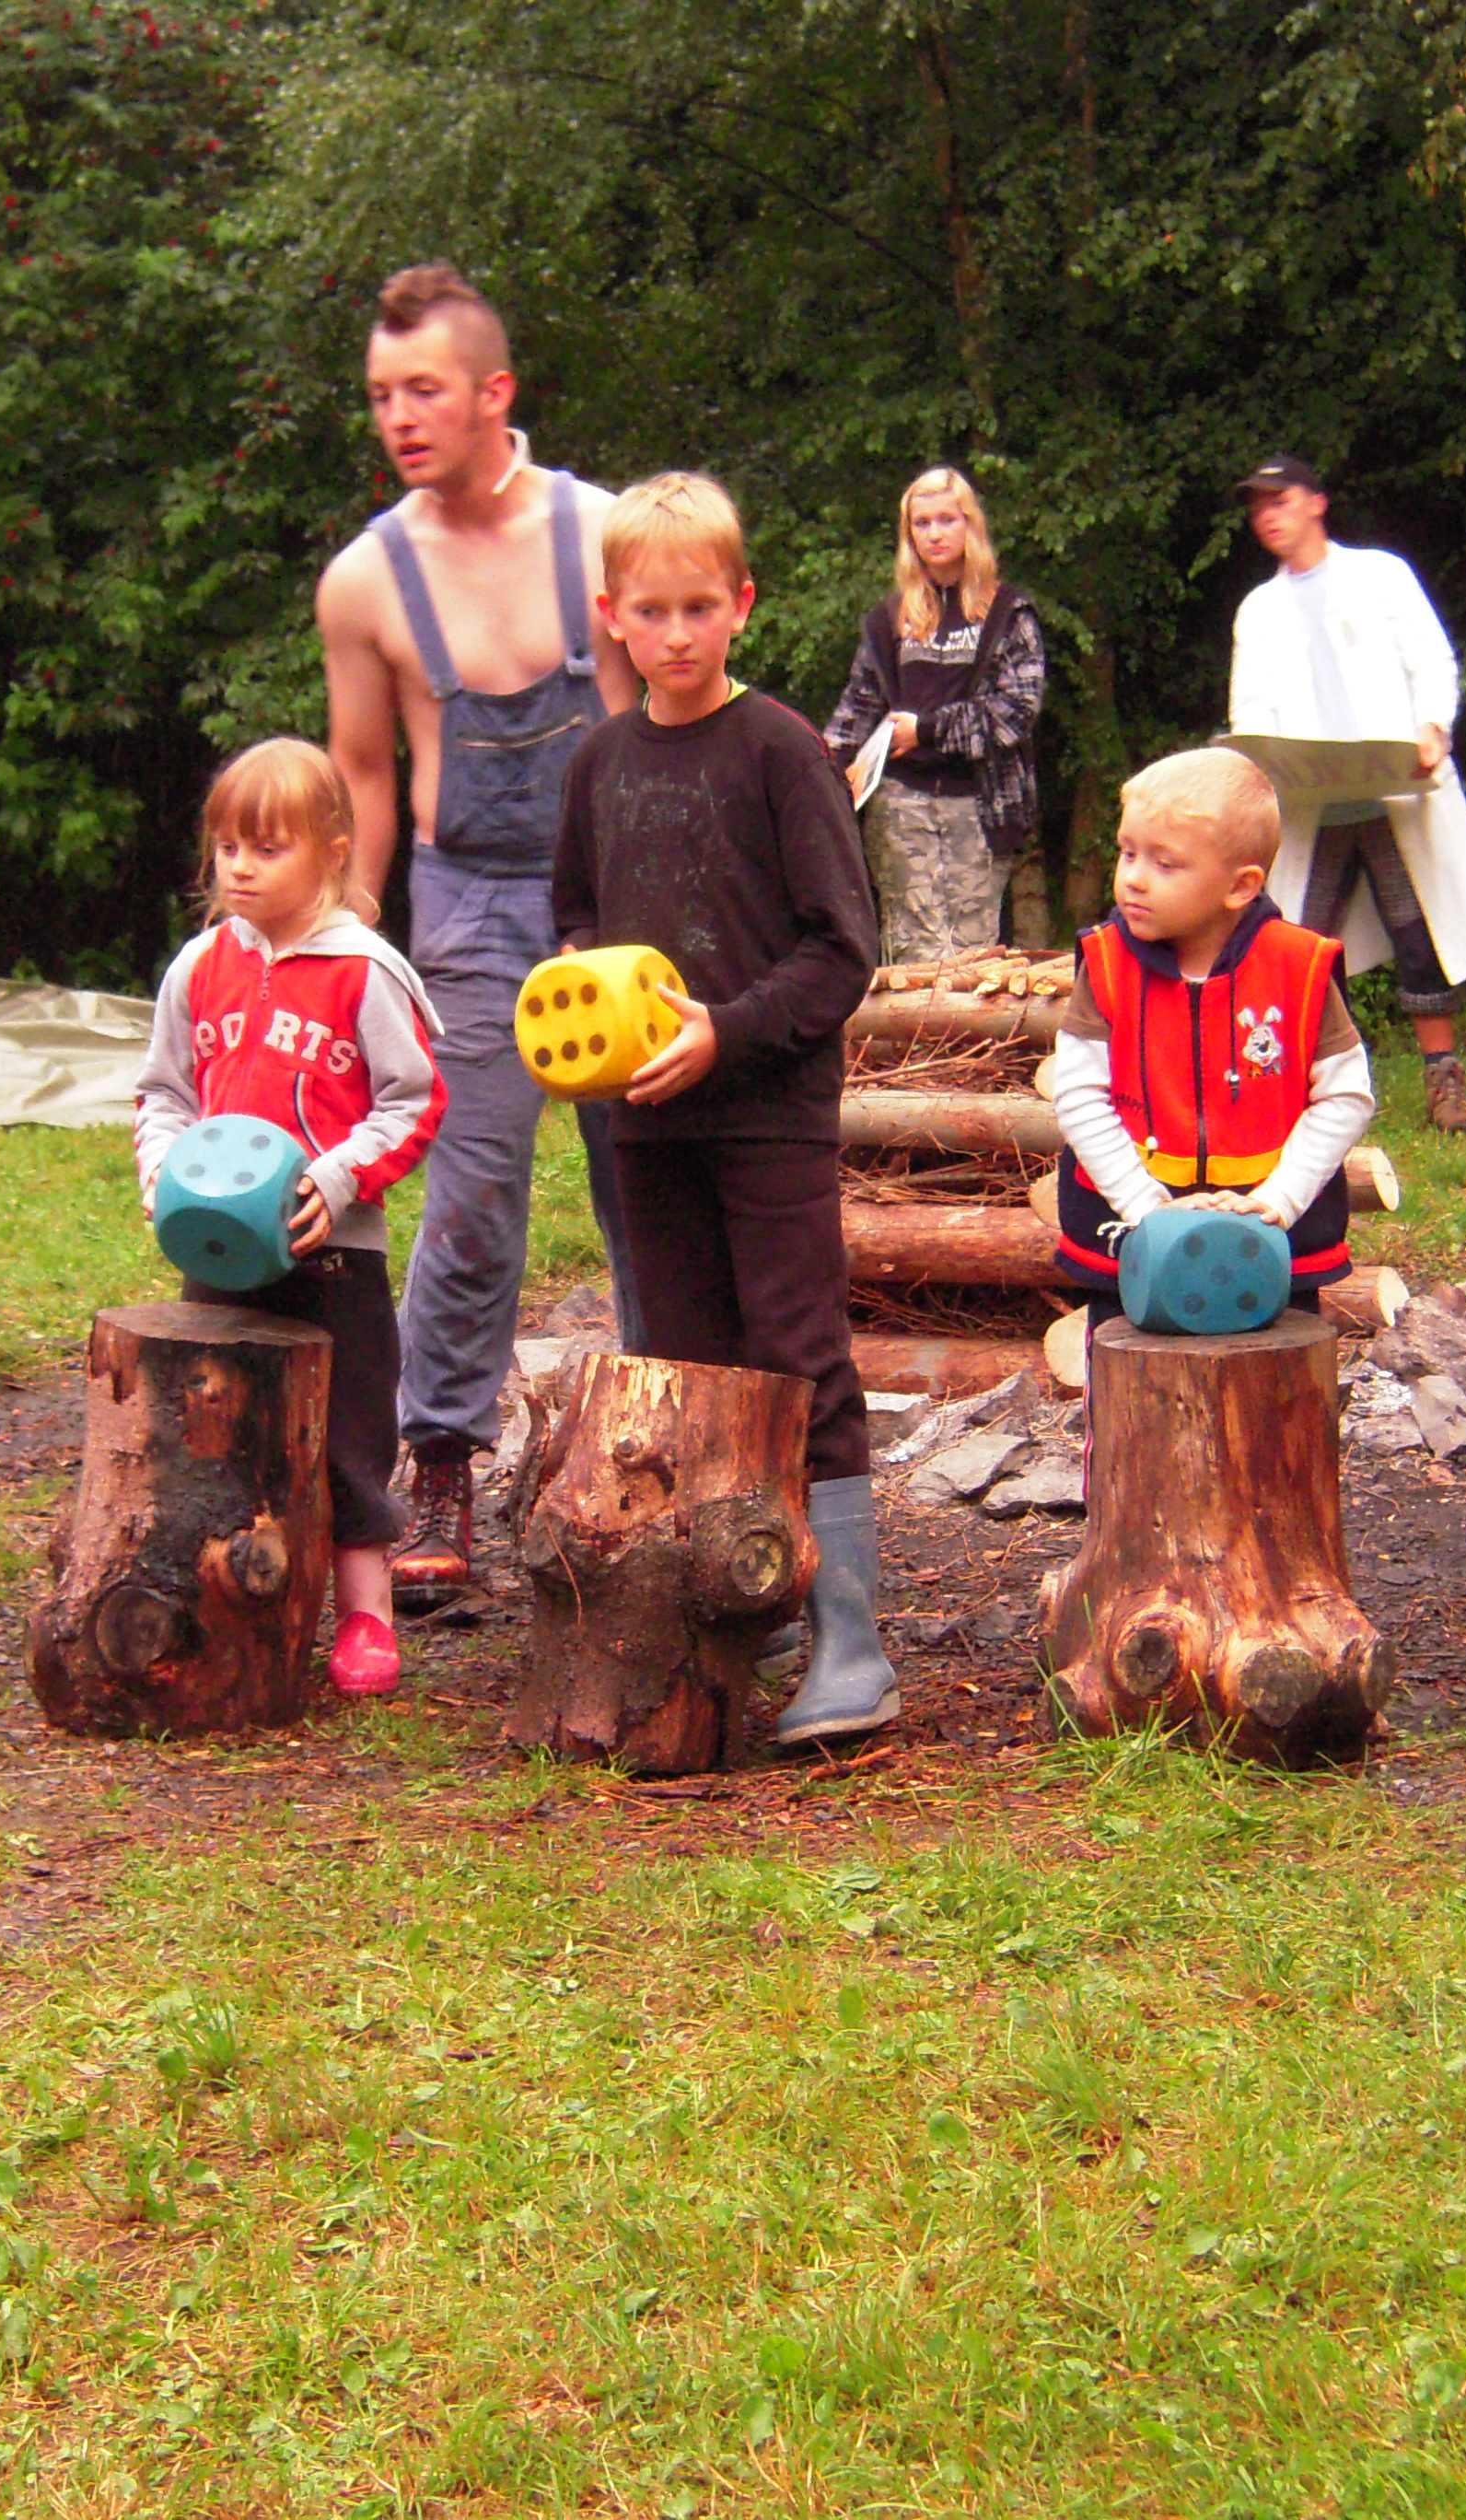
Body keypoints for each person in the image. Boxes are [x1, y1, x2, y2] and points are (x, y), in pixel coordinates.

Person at [316, 262, 644, 1605]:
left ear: (493, 392)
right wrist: (349, 942)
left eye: (425, 390)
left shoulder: (604, 533)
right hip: (470, 902)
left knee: (648, 1167)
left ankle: (674, 1436)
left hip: (616, 897)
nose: (400, 417)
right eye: (381, 395)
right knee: (470, 1190)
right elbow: (364, 772)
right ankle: (441, 1456)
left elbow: (655, 722)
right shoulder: (366, 581)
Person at [552, 473, 893, 1746]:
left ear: (742, 604)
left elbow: (842, 947)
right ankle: (730, 1616)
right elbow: (576, 918)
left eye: (701, 606)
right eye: (652, 610)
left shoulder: (783, 752)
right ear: (612, 618)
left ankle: (850, 1640)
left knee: (797, 1356)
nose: (678, 632)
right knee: (687, 1364)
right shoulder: (598, 762)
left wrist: (726, 1032)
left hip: (769, 1112)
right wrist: (592, 1010)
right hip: (645, 1121)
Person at [135, 740, 447, 1697]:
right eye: (227, 847)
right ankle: (224, 1603)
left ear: (332, 853)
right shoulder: (200, 967)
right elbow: (163, 1093)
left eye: (268, 849)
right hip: (219, 1251)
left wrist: (339, 1179)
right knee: (216, 1426)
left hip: (334, 1257)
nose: (239, 868)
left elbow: (414, 1100)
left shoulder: (365, 971)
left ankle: (365, 1616)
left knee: (349, 1437)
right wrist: (162, 1173)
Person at [1227, 456, 1466, 1134]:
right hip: (1312, 804)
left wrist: (1433, 727)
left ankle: (1445, 1083)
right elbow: (1250, 710)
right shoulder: (1259, 610)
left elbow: (1429, 658)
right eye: (1258, 506)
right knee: (1297, 947)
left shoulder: (1381, 574)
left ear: (1316, 502)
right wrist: (1260, 771)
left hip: (1393, 792)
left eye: (1280, 499)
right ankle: (1310, 1090)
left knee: (1418, 936)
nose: (1269, 516)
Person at [1049, 749, 1376, 1346]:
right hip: (1128, 1232)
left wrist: (1279, 1200)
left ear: (1241, 885)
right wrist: (1144, 1207)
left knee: (1270, 1377)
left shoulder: (1299, 968)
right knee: (1130, 1380)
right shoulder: (1107, 964)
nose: (1134, 878)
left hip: (1271, 1238)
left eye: (1165, 863)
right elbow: (1076, 1096)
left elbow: (1347, 1097)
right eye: (1128, 853)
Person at [820, 466, 1046, 963]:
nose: (935, 533)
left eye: (947, 519)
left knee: (973, 955)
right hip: (901, 806)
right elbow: (856, 710)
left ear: (970, 525)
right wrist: (822, 774)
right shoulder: (889, 618)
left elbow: (1016, 711)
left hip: (981, 806)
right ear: (909, 535)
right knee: (914, 951)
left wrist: (925, 730)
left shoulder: (1009, 612)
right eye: (922, 523)